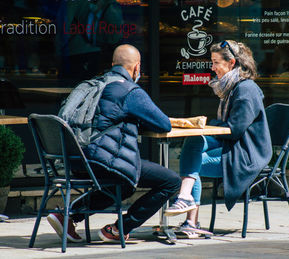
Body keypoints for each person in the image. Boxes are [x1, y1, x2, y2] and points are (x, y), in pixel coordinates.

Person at [47, 44, 181, 243]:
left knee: (124, 185)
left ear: (112, 64)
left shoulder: (92, 84)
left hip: (74, 159)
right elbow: (163, 124)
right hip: (101, 161)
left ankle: (67, 215)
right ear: (137, 67)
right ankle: (120, 229)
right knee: (171, 181)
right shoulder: (129, 90)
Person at [164, 40, 272, 231]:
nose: (212, 68)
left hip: (245, 154)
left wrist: (211, 123)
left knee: (193, 161)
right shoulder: (230, 88)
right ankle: (187, 205)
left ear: (231, 63)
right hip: (231, 146)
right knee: (195, 141)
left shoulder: (246, 89)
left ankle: (189, 212)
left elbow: (234, 129)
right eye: (212, 62)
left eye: (216, 62)